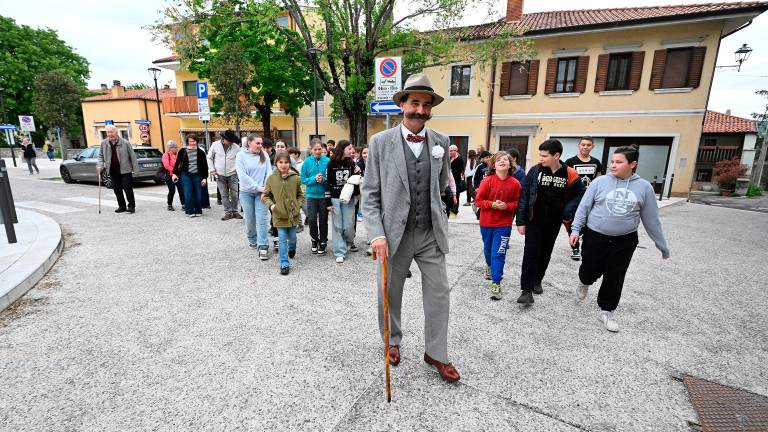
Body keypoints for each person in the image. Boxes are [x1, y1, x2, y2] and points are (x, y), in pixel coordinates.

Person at [362, 73, 460, 383]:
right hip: (393, 234)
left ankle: (436, 352)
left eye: (426, 104)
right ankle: (392, 341)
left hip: (430, 232)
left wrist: (442, 209)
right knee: (390, 292)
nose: (420, 109)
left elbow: (442, 183)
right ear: (403, 103)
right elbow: (371, 193)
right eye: (414, 102)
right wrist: (376, 233)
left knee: (440, 293)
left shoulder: (441, 142)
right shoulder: (380, 143)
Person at [570, 145, 669, 332]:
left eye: (618, 162)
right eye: (612, 162)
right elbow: (583, 208)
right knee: (589, 270)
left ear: (632, 164)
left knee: (615, 276)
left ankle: (607, 311)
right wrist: (575, 230)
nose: (612, 166)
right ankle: (584, 282)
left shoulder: (644, 188)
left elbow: (651, 220)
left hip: (624, 241)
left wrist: (662, 246)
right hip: (595, 237)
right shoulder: (599, 183)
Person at [515, 139, 585, 305]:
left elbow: (580, 195)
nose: (541, 158)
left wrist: (567, 211)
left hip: (554, 222)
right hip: (534, 220)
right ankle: (526, 290)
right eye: (540, 155)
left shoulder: (569, 174)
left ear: (557, 155)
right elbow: (524, 195)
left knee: (545, 252)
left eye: (544, 156)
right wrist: (521, 220)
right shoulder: (535, 171)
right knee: (531, 253)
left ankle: (537, 280)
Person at [474, 151, 522, 300]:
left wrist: (506, 207)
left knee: (499, 253)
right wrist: (493, 205)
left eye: (505, 160)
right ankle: (489, 266)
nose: (502, 161)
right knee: (488, 251)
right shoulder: (487, 181)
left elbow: (518, 203)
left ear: (510, 164)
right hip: (486, 223)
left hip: (504, 225)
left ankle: (496, 282)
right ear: (493, 165)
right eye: (499, 160)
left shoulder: (515, 183)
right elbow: (478, 201)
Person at [263, 152, 305, 275]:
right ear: (276, 163)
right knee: (282, 239)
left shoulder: (295, 178)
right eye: (280, 162)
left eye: (286, 162)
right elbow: (266, 196)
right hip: (279, 215)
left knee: (292, 238)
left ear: (290, 163)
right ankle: (284, 263)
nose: (283, 165)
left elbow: (301, 195)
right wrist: (272, 205)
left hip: (292, 215)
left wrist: (298, 205)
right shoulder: (271, 179)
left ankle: (292, 248)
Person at [564, 136, 603, 261]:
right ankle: (575, 247)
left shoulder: (597, 162)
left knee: (589, 221)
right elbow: (566, 180)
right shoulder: (570, 161)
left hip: (590, 197)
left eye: (588, 145)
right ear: (578, 145)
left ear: (592, 147)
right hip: (574, 197)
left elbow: (599, 180)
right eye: (583, 144)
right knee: (570, 219)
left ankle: (586, 245)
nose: (585, 147)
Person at [237, 134, 273, 259]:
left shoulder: (265, 155)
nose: (260, 146)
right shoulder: (241, 156)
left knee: (262, 219)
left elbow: (269, 173)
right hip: (246, 192)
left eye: (261, 143)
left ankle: (263, 246)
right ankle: (252, 239)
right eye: (257, 143)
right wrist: (258, 187)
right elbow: (242, 176)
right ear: (249, 143)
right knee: (250, 219)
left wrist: (265, 189)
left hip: (262, 193)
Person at [325, 140, 361, 263]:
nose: (351, 151)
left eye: (352, 148)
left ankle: (348, 241)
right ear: (342, 149)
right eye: (349, 148)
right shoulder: (331, 164)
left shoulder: (351, 163)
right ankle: (339, 251)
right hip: (335, 198)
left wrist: (356, 196)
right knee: (337, 226)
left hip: (349, 198)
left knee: (349, 225)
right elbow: (328, 183)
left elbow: (358, 179)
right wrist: (328, 202)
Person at [97, 125, 138, 214]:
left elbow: (133, 157)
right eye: (108, 132)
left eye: (111, 132)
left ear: (116, 132)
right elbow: (100, 155)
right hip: (112, 170)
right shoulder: (104, 143)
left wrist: (136, 170)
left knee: (127, 187)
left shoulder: (125, 143)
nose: (109, 134)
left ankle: (131, 206)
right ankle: (122, 206)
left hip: (125, 169)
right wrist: (100, 164)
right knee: (116, 189)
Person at [301, 139, 330, 255]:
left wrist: (323, 180)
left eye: (320, 149)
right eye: (315, 149)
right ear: (311, 150)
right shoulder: (307, 162)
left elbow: (330, 179)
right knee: (312, 219)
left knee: (323, 220)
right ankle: (314, 239)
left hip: (323, 196)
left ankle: (323, 242)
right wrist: (314, 179)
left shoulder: (328, 161)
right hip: (311, 195)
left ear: (323, 150)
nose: (318, 151)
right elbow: (302, 179)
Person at [208, 129, 242, 221]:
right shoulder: (215, 145)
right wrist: (212, 169)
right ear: (223, 138)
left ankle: (235, 211)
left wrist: (239, 171)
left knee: (235, 194)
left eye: (232, 141)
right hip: (219, 174)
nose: (230, 142)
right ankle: (228, 212)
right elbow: (209, 158)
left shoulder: (236, 147)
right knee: (224, 195)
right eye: (229, 140)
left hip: (233, 174)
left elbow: (240, 160)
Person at [172, 134, 208, 217]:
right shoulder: (182, 151)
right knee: (188, 193)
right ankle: (190, 211)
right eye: (190, 141)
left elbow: (204, 167)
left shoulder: (201, 153)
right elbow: (177, 163)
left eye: (194, 141)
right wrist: (174, 173)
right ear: (187, 142)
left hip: (197, 175)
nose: (192, 143)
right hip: (186, 175)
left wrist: (204, 178)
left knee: (198, 194)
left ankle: (198, 210)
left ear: (197, 141)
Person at [162, 141, 185, 211]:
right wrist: (175, 171)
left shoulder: (179, 154)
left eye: (177, 147)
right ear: (170, 148)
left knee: (181, 190)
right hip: (170, 176)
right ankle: (169, 205)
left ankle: (184, 204)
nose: (177, 148)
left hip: (179, 175)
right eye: (175, 147)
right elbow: (166, 166)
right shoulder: (166, 155)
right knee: (172, 190)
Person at [448, 145, 465, 214]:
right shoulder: (449, 158)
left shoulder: (459, 159)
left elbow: (459, 170)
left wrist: (451, 171)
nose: (450, 152)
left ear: (456, 151)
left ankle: (455, 211)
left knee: (456, 195)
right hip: (449, 180)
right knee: (449, 195)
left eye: (452, 151)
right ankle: (450, 209)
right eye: (449, 151)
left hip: (456, 180)